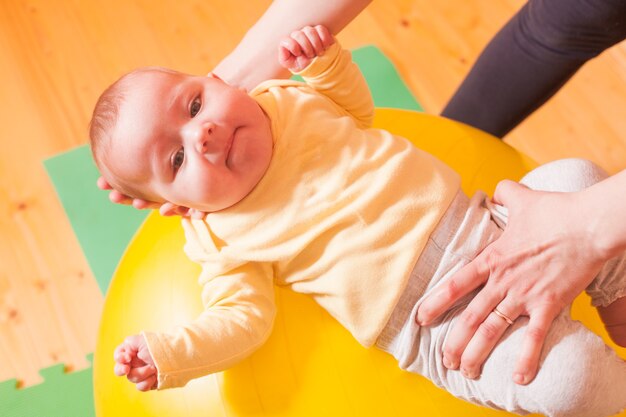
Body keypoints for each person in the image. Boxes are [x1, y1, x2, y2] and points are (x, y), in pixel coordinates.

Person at [91, 26, 626, 416]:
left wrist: (324, 62)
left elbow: (354, 113)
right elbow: (242, 320)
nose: (200, 134)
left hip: (489, 222)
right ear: (180, 207)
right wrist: (170, 354)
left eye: (192, 105)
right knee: (570, 379)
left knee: (576, 176)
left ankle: (616, 298)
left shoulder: (281, 101)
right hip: (437, 324)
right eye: (177, 160)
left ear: (215, 81)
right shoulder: (219, 235)